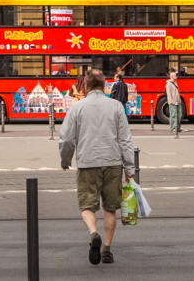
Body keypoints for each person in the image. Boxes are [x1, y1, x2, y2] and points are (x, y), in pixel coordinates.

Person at [59, 69, 136, 266]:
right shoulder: (117, 106)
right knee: (111, 208)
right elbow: (125, 140)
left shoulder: (77, 107)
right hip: (113, 163)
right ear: (104, 85)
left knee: (87, 206)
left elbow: (67, 138)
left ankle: (94, 234)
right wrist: (129, 168)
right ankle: (107, 251)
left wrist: (65, 160)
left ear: (85, 84)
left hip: (88, 162)